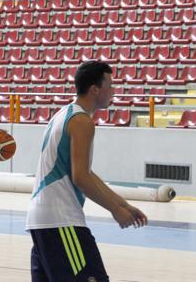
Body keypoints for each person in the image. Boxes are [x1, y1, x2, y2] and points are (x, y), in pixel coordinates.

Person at [26, 61, 148, 282]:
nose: (114, 91)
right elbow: (80, 177)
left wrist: (123, 204)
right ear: (95, 89)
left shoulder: (63, 114)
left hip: (42, 220)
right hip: (61, 221)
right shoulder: (81, 121)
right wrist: (115, 210)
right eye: (110, 85)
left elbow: (87, 173)